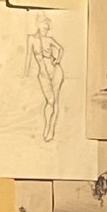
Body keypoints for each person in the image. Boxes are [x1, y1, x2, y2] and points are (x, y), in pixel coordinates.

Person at [25, 15, 64, 143]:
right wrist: (25, 72)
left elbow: (61, 49)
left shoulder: (49, 39)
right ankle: (47, 126)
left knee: (55, 101)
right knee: (50, 101)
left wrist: (57, 60)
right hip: (43, 74)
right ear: (38, 26)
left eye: (47, 29)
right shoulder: (31, 39)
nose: (45, 31)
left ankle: (51, 129)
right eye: (44, 28)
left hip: (56, 71)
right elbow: (28, 55)